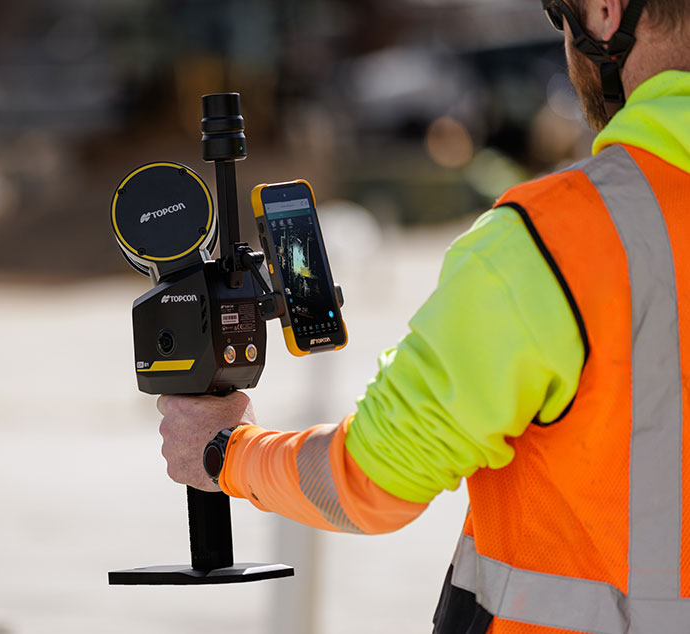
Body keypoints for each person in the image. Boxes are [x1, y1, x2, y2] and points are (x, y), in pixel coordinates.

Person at [158, 0, 690, 631]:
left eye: (559, 15)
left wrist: (224, 451)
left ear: (604, 11)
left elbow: (370, 481)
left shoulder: (557, 238)